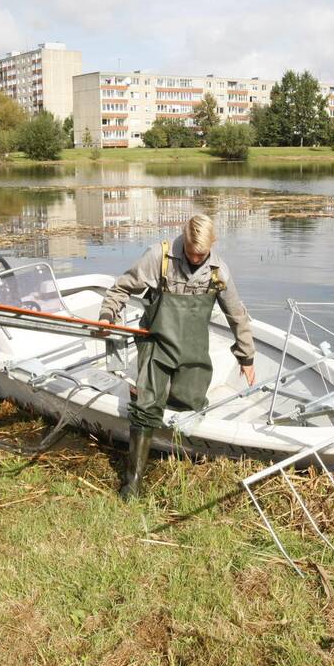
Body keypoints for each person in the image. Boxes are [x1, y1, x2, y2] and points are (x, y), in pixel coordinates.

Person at [99, 214, 256, 500]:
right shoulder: (160, 257)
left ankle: (179, 466)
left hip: (192, 349)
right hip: (156, 344)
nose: (195, 258)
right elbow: (121, 287)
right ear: (183, 238)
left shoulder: (219, 271)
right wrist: (107, 316)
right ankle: (132, 483)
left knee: (191, 404)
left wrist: (246, 356)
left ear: (213, 245)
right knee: (147, 408)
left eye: (202, 254)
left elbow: (237, 314)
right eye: (191, 252)